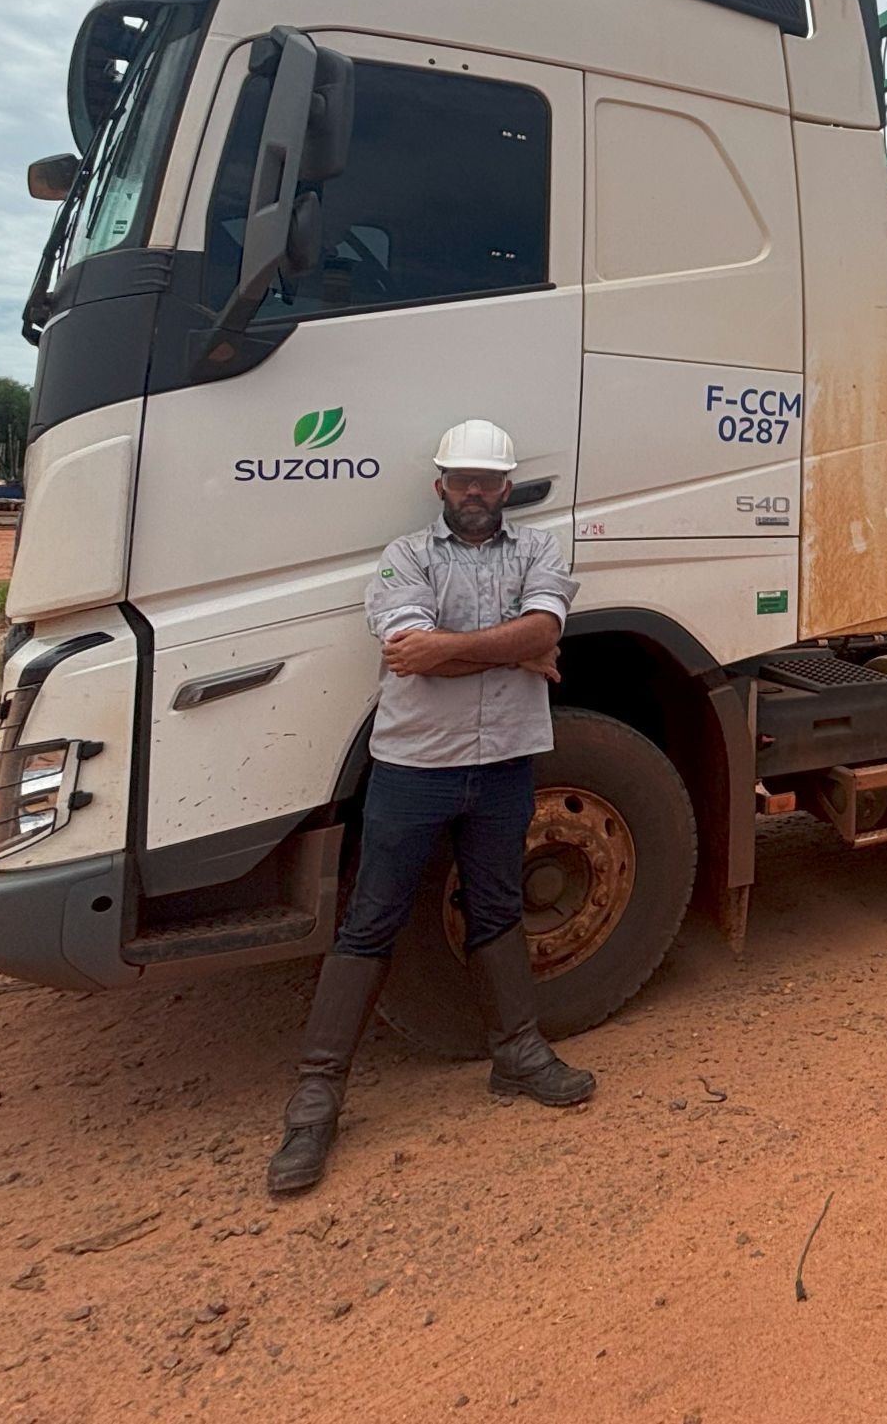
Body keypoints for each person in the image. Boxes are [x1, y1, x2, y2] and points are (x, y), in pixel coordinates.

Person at [267, 417, 595, 1197]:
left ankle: (517, 1053)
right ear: (441, 485)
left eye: (489, 480)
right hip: (416, 767)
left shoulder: (538, 550)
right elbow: (406, 650)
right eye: (463, 479)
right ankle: (316, 1097)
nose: (476, 492)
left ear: (507, 487)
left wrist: (478, 644)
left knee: (497, 904)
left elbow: (546, 625)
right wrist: (517, 648)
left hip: (505, 762)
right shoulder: (405, 557)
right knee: (371, 917)